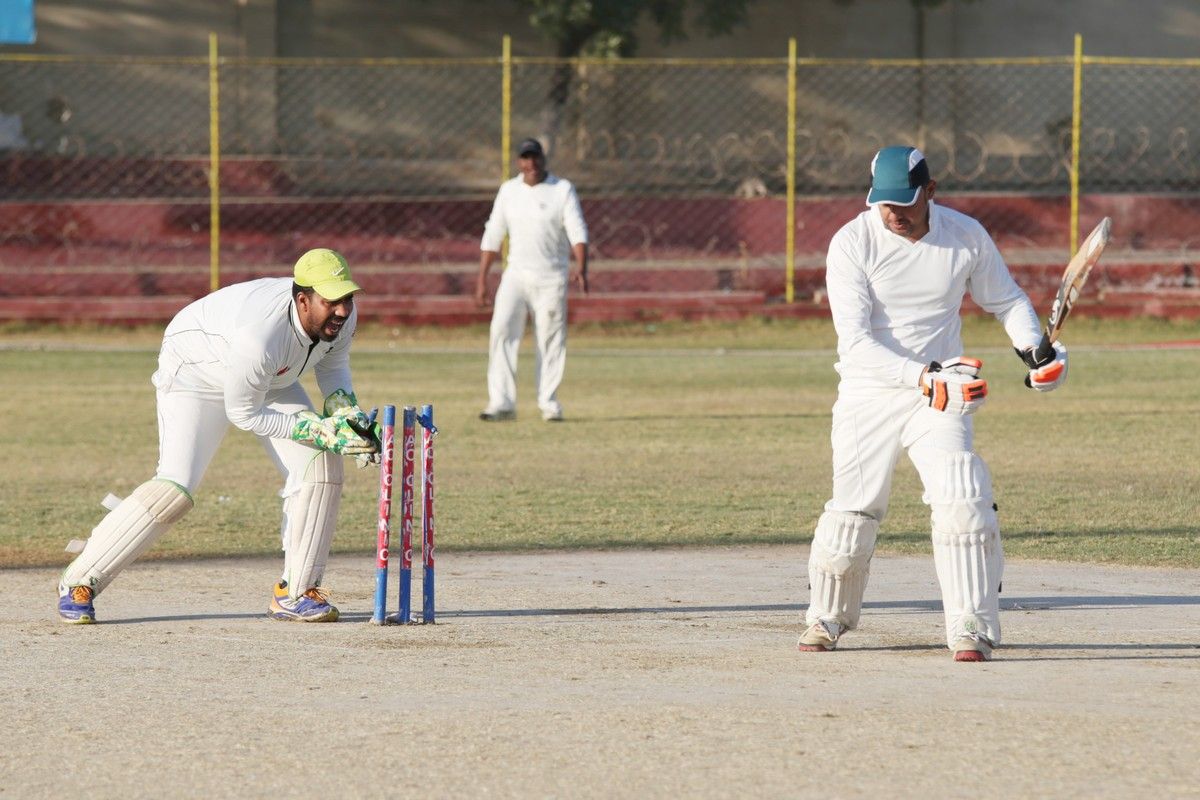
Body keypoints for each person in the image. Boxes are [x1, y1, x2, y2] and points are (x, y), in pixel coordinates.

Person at [798, 146, 1069, 662]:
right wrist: (923, 376)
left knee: (963, 496)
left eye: (905, 202)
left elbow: (1006, 300)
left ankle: (971, 625)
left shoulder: (965, 235)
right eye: (884, 204)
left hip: (942, 394)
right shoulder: (852, 242)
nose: (894, 214)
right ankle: (827, 615)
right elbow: (855, 342)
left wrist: (1035, 352)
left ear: (930, 191)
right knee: (855, 507)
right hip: (871, 392)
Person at [56, 248, 382, 624]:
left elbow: (333, 366)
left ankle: (296, 592)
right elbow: (243, 413)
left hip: (270, 376)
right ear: (303, 299)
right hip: (196, 370)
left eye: (346, 298)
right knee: (174, 490)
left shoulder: (342, 317)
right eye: (331, 301)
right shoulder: (260, 336)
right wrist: (314, 428)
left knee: (321, 464)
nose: (341, 310)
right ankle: (79, 580)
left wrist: (345, 414)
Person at [474, 137, 589, 422]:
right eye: (526, 158)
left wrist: (581, 266)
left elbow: (577, 230)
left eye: (535, 157)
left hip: (551, 276)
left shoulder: (561, 189)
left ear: (543, 159)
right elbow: (493, 234)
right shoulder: (509, 191)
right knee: (502, 330)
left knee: (550, 338)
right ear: (519, 162)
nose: (531, 163)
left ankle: (548, 403)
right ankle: (501, 402)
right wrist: (482, 280)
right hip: (515, 274)